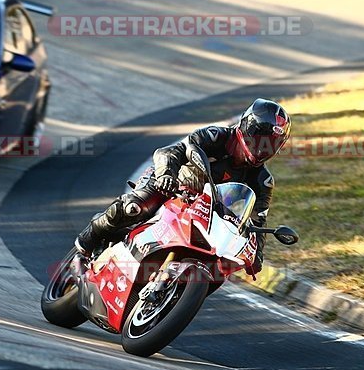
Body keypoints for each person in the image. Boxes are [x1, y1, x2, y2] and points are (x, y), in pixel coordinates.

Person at [75, 98, 291, 275]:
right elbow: (170, 152)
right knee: (134, 207)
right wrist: (166, 175)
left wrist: (257, 255)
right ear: (246, 128)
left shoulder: (262, 180)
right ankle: (85, 245)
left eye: (271, 143)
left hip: (208, 212)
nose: (263, 148)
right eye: (260, 139)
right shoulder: (216, 136)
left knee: (221, 264)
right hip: (172, 183)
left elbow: (258, 218)